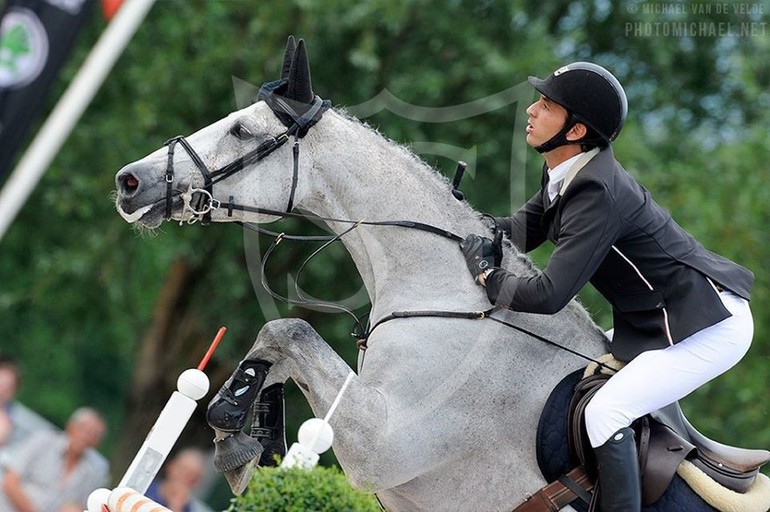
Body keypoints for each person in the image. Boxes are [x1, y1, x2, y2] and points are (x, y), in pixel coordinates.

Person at [460, 62, 753, 512]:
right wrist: (452, 220)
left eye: (546, 105)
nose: (532, 112)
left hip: (708, 325)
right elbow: (517, 231)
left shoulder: (597, 192)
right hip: (663, 318)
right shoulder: (566, 172)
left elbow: (548, 296)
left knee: (605, 412)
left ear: (576, 129)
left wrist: (488, 277)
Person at [0, 406, 109, 511]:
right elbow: (10, 481)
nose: (87, 437)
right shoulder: (43, 441)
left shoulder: (97, 469)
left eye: (94, 436)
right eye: (84, 430)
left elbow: (87, 505)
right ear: (71, 426)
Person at [145, 447, 214, 512]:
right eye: (182, 470)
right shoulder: (144, 487)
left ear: (196, 482)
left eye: (191, 476)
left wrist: (176, 506)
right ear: (171, 467)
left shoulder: (194, 509)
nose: (183, 478)